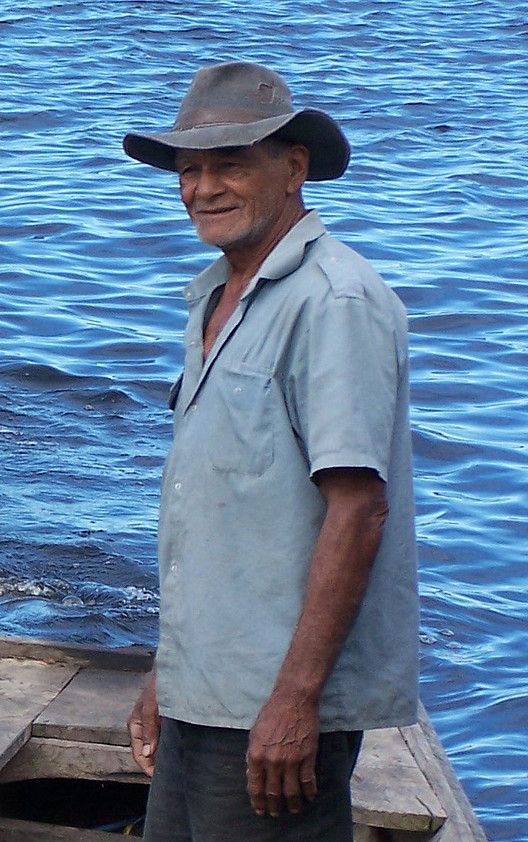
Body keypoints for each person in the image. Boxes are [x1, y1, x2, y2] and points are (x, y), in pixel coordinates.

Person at [120, 62, 419, 840]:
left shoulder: (335, 302)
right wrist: (169, 673)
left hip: (277, 709)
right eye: (190, 168)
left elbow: (358, 512)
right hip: (207, 691)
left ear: (293, 169)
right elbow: (226, 527)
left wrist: (295, 701)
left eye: (230, 164)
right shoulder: (218, 297)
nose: (203, 187)